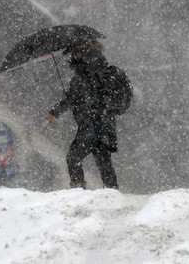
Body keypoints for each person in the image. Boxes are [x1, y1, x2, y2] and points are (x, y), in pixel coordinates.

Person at [45, 40, 132, 189]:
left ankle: (78, 191)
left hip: (90, 126)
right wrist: (56, 111)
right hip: (104, 125)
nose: (70, 57)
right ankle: (112, 193)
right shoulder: (96, 71)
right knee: (104, 163)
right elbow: (76, 99)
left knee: (73, 158)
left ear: (80, 51)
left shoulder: (85, 75)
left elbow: (74, 99)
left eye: (72, 53)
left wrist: (56, 111)